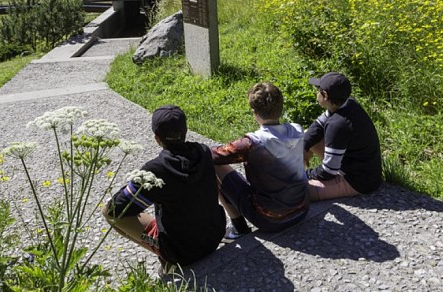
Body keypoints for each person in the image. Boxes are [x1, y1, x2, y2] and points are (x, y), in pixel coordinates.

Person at [102, 105, 225, 271]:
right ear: (186, 130)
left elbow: (116, 209)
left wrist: (133, 184)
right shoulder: (203, 151)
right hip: (214, 237)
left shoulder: (156, 170)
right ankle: (168, 256)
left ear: (157, 138)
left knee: (108, 212)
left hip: (183, 252)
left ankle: (168, 259)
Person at [212, 82, 309, 240]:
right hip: (302, 209)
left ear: (254, 113)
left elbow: (214, 155)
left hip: (270, 219)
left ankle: (239, 228)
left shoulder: (251, 143)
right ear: (281, 108)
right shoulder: (297, 130)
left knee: (216, 165)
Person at [304, 72, 382, 201]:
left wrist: (306, 175)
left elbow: (329, 172)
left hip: (357, 181)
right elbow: (318, 125)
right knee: (307, 135)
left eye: (318, 90)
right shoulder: (347, 103)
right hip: (357, 166)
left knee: (296, 191)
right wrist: (303, 145)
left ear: (325, 96)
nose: (316, 93)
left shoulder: (338, 125)